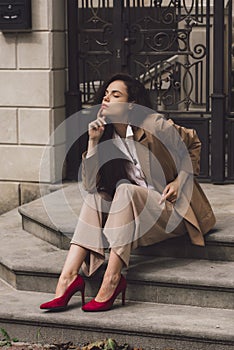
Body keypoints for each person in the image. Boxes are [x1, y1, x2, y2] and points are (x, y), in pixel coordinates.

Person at [40, 73, 216, 312]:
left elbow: (193, 143)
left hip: (172, 211)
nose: (107, 98)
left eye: (116, 94)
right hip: (135, 216)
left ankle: (112, 278)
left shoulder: (154, 125)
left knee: (124, 190)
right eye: (106, 94)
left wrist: (179, 180)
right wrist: (93, 142)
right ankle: (68, 278)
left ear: (131, 104)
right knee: (96, 197)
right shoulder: (105, 136)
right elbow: (90, 186)